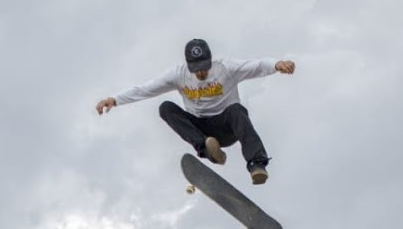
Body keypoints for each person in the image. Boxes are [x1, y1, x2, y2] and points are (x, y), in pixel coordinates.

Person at [96, 38, 295, 184]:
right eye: (196, 69)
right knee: (166, 108)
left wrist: (277, 64)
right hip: (202, 130)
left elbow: (256, 65)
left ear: (210, 60)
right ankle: (208, 150)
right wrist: (115, 99)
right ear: (188, 64)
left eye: (204, 68)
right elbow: (146, 89)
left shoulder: (226, 67)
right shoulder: (178, 75)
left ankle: (257, 164)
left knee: (237, 110)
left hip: (227, 126)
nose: (200, 73)